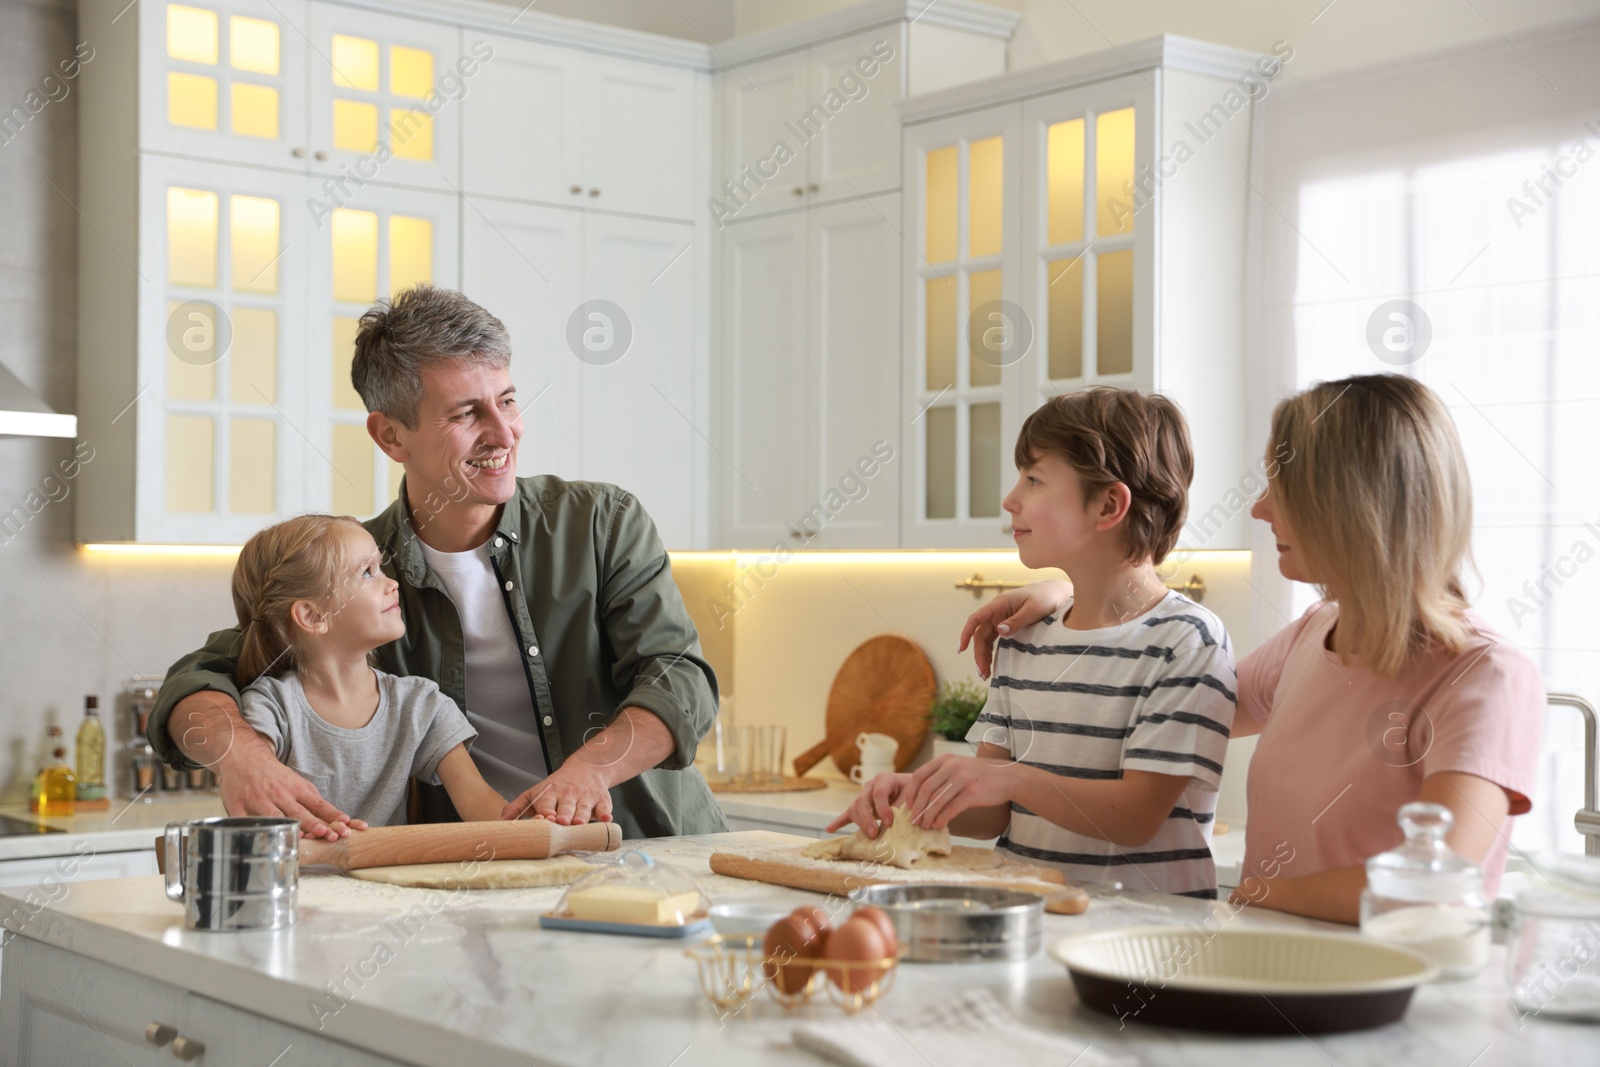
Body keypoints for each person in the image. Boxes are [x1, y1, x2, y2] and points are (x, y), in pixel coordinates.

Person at [148, 285, 727, 842]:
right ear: (391, 436)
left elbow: (678, 677)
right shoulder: (353, 572)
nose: (504, 433)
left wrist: (592, 770)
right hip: (473, 878)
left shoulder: (602, 521)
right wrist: (241, 755)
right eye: (466, 414)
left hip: (649, 847)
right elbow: (200, 675)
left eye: (506, 400)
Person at [959, 374, 1544, 923]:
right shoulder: (1318, 634)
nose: (1260, 508)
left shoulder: (1486, 676)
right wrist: (1070, 592)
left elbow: (1440, 888)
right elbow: (1151, 700)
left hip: (1386, 1000)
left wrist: (1251, 900)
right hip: (1274, 964)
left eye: (1281, 487)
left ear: (1351, 507)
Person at [829, 388, 1238, 898]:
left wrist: (1012, 780)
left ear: (1108, 505)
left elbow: (1138, 817)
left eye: (1034, 479)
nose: (1010, 499)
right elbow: (991, 814)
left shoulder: (1186, 640)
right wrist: (918, 797)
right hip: (1029, 916)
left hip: (1146, 944)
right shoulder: (1024, 636)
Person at [232, 514, 504, 831]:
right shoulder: (270, 708)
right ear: (313, 615)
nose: (392, 584)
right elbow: (255, 813)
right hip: (297, 881)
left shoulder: (419, 705)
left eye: (380, 568)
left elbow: (482, 806)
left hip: (392, 882)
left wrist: (537, 825)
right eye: (366, 573)